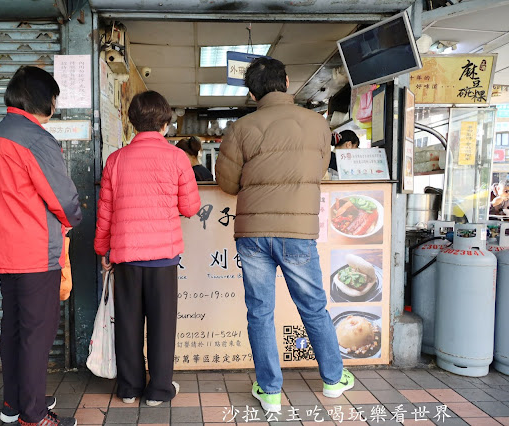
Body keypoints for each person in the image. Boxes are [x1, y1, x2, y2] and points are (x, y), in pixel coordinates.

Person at [215, 57, 354, 413]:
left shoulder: (240, 128)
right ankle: (334, 380)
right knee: (313, 307)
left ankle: (270, 390)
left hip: (253, 233)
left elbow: (227, 183)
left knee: (260, 311)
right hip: (298, 231)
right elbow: (319, 171)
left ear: (251, 92)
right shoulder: (317, 124)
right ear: (287, 81)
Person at [0, 66, 82, 426]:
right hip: (35, 251)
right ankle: (35, 415)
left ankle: (15, 403)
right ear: (44, 101)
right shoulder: (36, 138)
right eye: (53, 98)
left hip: (5, 252)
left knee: (13, 329)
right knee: (37, 336)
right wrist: (74, 218)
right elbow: (63, 198)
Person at [94, 91, 201, 407]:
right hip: (163, 258)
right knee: (162, 326)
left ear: (132, 123)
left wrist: (103, 250)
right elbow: (191, 207)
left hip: (125, 256)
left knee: (127, 323)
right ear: (165, 124)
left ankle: (129, 388)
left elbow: (106, 211)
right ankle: (158, 391)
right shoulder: (178, 158)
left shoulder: (116, 160)